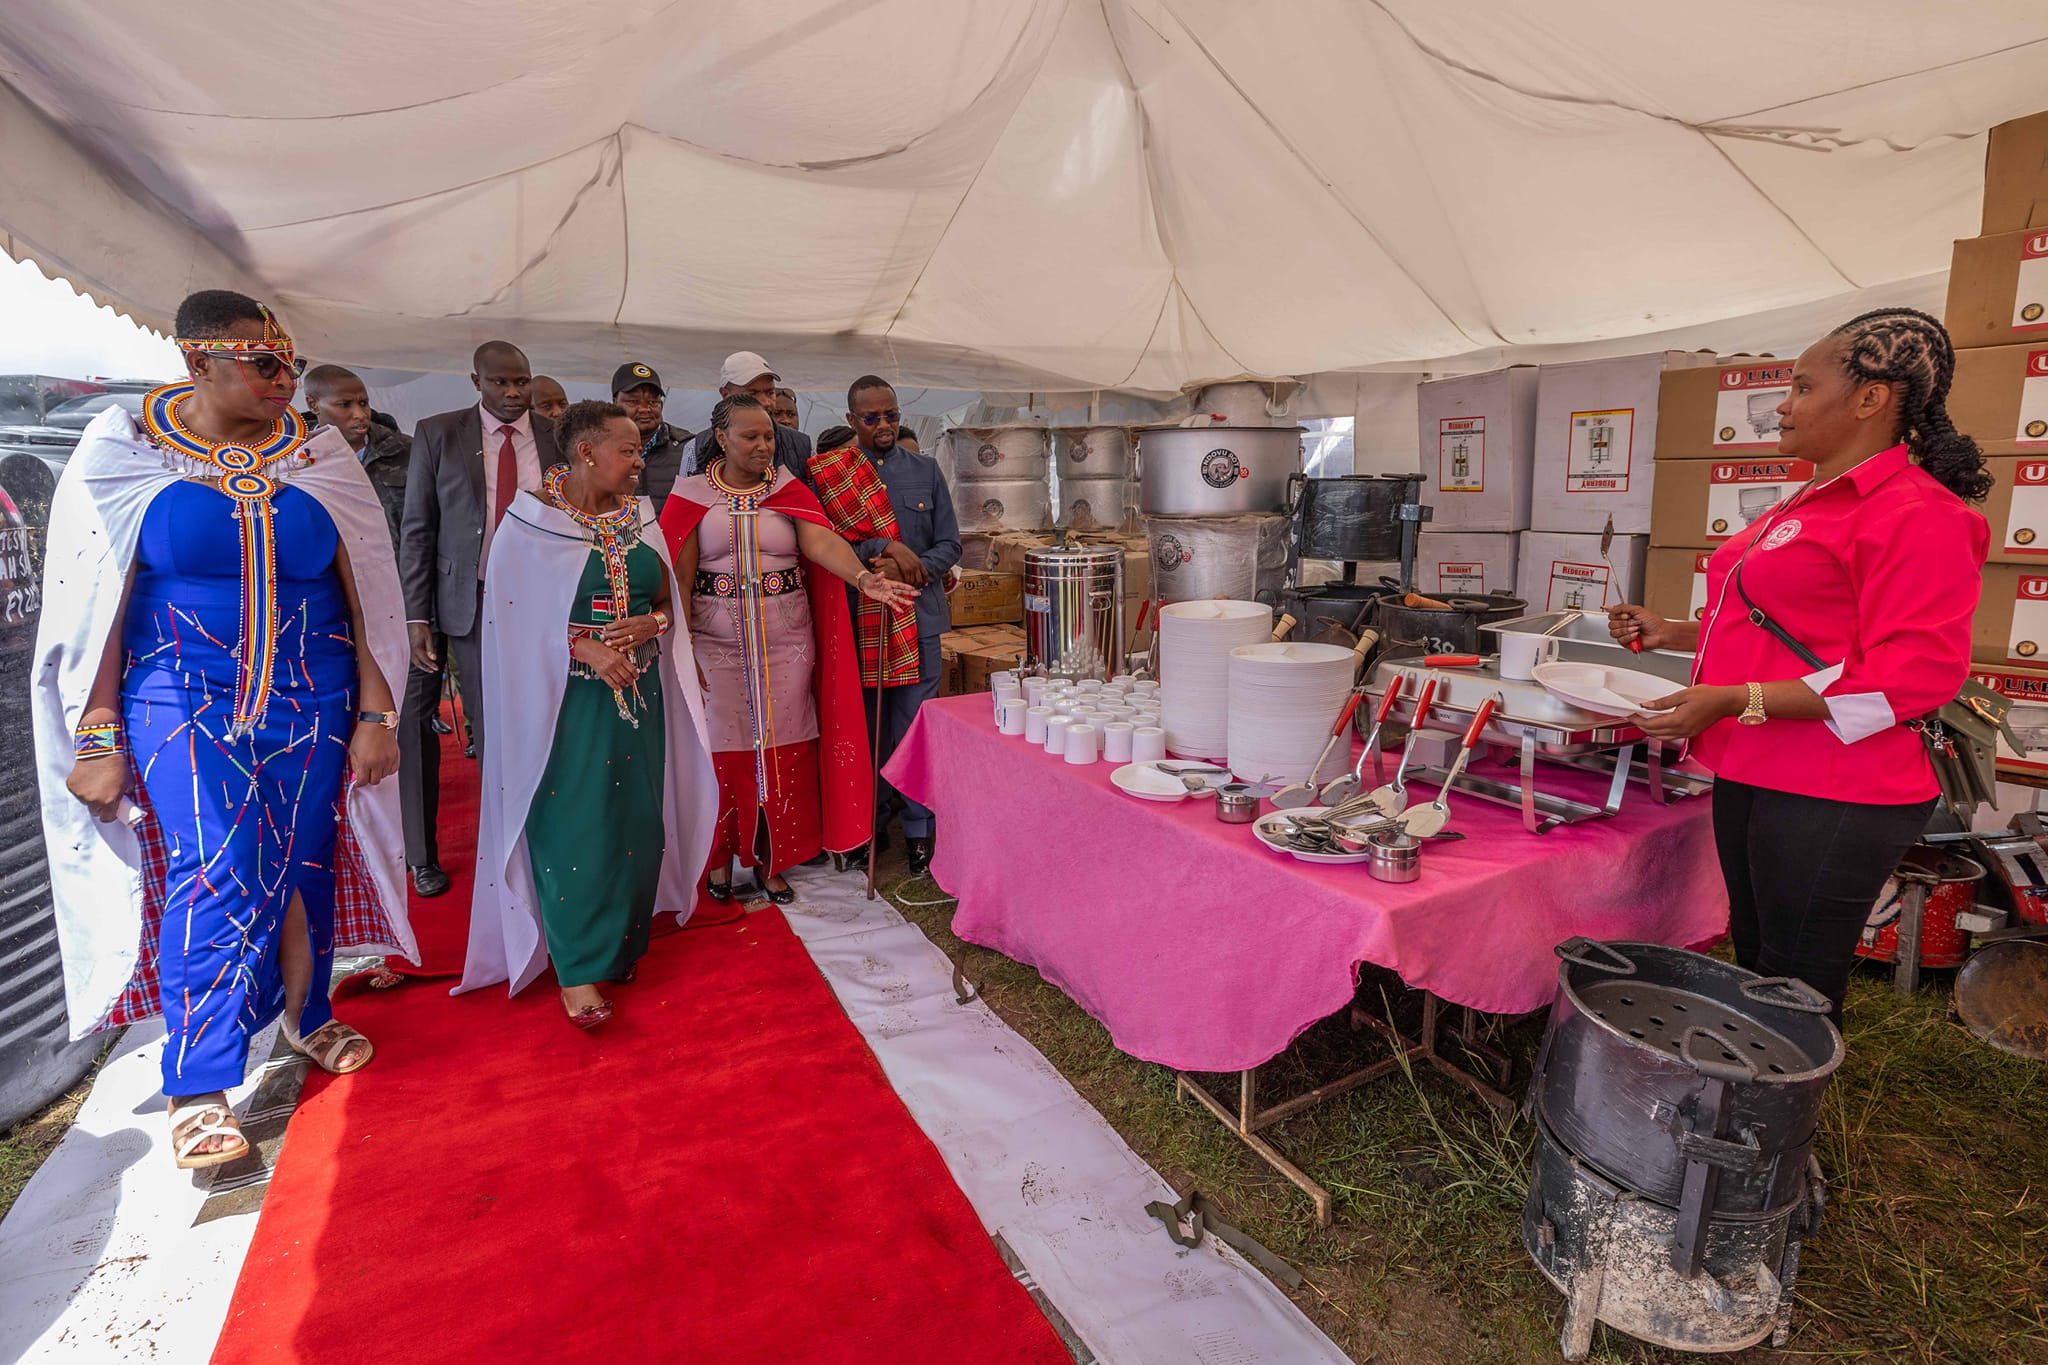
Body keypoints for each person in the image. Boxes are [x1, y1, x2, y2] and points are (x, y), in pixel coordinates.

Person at [33, 290, 414, 1169]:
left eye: (290, 364)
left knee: (304, 856)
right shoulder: (125, 449)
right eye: (263, 363)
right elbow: (91, 607)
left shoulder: (319, 454)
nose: (285, 380)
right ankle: (199, 1081)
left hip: (313, 690)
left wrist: (375, 711)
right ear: (197, 362)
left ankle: (305, 1012)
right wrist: (96, 737)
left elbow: (368, 596)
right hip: (176, 690)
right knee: (217, 862)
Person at [1607, 308, 1989, 1023]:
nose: (1782, 405)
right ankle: (1749, 1104)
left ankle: (1777, 1127)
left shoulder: (1918, 514)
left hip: (1841, 786)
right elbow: (1789, 624)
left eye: (1801, 387)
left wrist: (1731, 698)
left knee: (1795, 980)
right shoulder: (1812, 497)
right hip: (1756, 760)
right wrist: (1674, 631)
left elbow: (1914, 674)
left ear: (1870, 399)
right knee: (1756, 955)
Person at [458, 401, 718, 1027]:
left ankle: (620, 944)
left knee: (635, 823)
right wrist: (585, 645)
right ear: (586, 453)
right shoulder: (529, 526)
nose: (639, 462)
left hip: (640, 697)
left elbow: (665, 602)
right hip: (562, 705)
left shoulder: (640, 520)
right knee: (574, 824)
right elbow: (511, 626)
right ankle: (576, 969)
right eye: (628, 451)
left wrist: (652, 624)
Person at [661, 395, 915, 901]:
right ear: (722, 439)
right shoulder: (689, 494)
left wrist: (864, 579)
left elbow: (820, 543)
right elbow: (680, 577)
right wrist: (683, 647)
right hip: (716, 638)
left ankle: (771, 859)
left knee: (785, 745)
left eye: (769, 437)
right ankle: (718, 859)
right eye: (751, 437)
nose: (763, 446)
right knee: (723, 747)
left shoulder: (787, 488)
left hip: (787, 640)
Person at [397, 341, 561, 896]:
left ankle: (535, 837)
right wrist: (417, 615)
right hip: (470, 597)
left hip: (545, 598)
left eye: (522, 382)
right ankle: (458, 851)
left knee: (542, 717)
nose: (513, 393)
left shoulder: (556, 436)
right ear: (476, 381)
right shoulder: (439, 433)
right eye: (501, 383)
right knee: (487, 726)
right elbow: (418, 528)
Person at [813, 376, 959, 875]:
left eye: (891, 415)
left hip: (918, 620)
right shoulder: (831, 474)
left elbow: (950, 545)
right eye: (871, 418)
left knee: (915, 728)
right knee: (865, 730)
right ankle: (866, 827)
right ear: (852, 420)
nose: (884, 425)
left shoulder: (925, 470)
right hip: (860, 623)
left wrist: (912, 567)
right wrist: (878, 551)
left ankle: (920, 832)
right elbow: (823, 548)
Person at [304, 364, 410, 555]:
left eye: (363, 403)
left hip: (397, 575)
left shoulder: (408, 451)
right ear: (313, 405)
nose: (360, 415)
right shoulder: (296, 461)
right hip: (334, 576)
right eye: (345, 405)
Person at [691, 351, 814, 486]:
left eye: (770, 393)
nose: (765, 402)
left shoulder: (802, 445)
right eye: (753, 393)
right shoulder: (695, 447)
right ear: (725, 394)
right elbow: (687, 499)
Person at [611, 361, 691, 511]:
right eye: (633, 401)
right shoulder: (599, 449)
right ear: (615, 402)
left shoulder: (688, 448)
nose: (644, 409)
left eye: (653, 401)